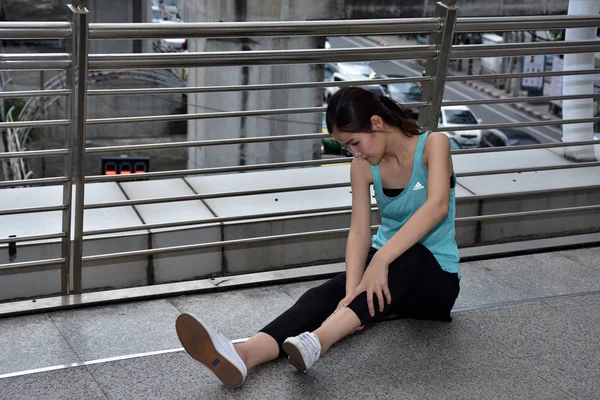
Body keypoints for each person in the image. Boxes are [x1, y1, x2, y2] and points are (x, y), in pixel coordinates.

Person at [175, 86, 461, 388]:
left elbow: (437, 206)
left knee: (408, 255)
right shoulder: (362, 167)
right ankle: (243, 355)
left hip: (435, 283)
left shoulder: (433, 145)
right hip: (384, 276)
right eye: (348, 148)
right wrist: (351, 295)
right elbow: (360, 232)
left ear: (377, 124)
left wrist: (382, 260)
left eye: (355, 143)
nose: (356, 153)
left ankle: (317, 342)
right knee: (323, 295)